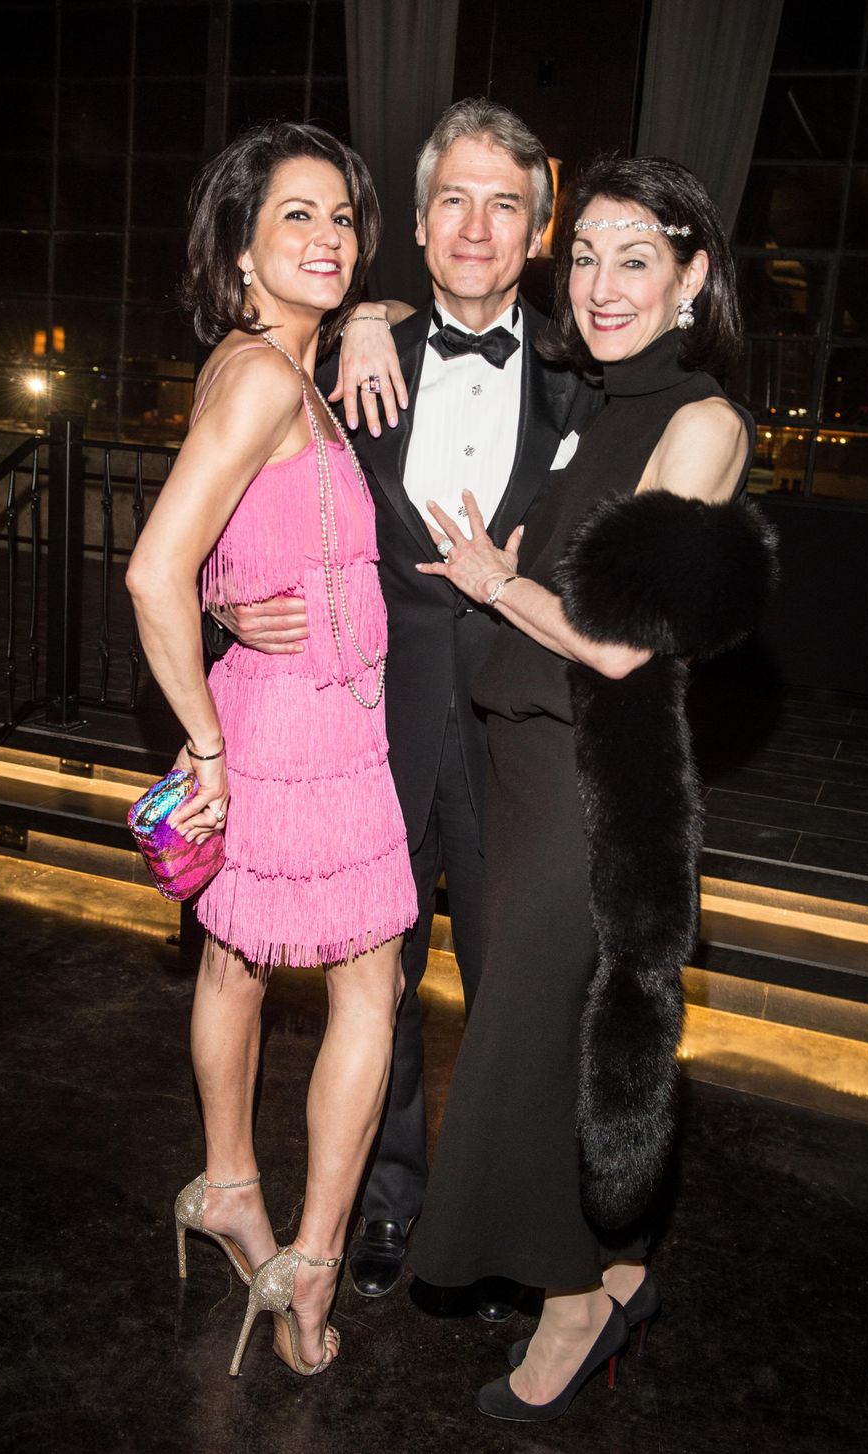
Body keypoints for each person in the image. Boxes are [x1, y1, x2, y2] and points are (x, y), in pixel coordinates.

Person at [212, 99, 602, 1317]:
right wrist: (226, 598)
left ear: (536, 230)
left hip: (522, 742)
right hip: (361, 733)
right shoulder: (336, 352)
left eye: (505, 203)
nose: (477, 225)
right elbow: (236, 500)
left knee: (507, 987)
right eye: (453, 199)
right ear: (419, 224)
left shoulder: (589, 370)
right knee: (369, 984)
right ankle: (387, 1196)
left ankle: (490, 1218)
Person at [407, 153, 776, 1422]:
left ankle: (572, 1305)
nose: (603, 282)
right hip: (517, 764)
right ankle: (617, 1267)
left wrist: (492, 581)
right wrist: (358, 314)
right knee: (556, 1043)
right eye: (590, 254)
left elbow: (619, 642)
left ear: (690, 279)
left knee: (520, 1041)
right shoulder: (587, 401)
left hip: (590, 783)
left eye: (637, 258)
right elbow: (449, 302)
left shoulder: (701, 420)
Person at [126, 121, 416, 1380]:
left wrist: (367, 311)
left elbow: (236, 543)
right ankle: (308, 1260)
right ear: (239, 248)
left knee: (235, 970)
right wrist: (205, 748)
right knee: (370, 986)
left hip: (296, 712)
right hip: (290, 731)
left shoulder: (275, 365)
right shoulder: (256, 376)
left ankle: (230, 1186)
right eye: (294, 216)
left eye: (343, 217)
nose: (327, 238)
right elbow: (151, 569)